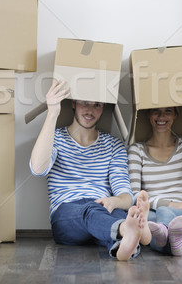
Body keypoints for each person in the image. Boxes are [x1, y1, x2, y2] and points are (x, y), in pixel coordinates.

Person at [30, 80, 151, 260]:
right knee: (92, 211)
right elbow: (38, 169)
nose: (90, 110)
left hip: (104, 209)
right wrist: (52, 113)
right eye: (84, 102)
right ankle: (127, 231)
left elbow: (126, 196)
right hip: (67, 215)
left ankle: (125, 246)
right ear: (73, 103)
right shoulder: (55, 138)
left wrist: (114, 201)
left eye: (97, 105)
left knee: (118, 213)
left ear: (103, 108)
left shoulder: (113, 145)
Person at [127, 92, 182, 256]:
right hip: (151, 212)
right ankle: (172, 244)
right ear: (148, 114)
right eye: (156, 111)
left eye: (168, 111)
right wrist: (170, 204)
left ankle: (163, 235)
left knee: (161, 220)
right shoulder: (136, 150)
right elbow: (135, 196)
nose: (161, 116)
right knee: (154, 218)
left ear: (175, 115)